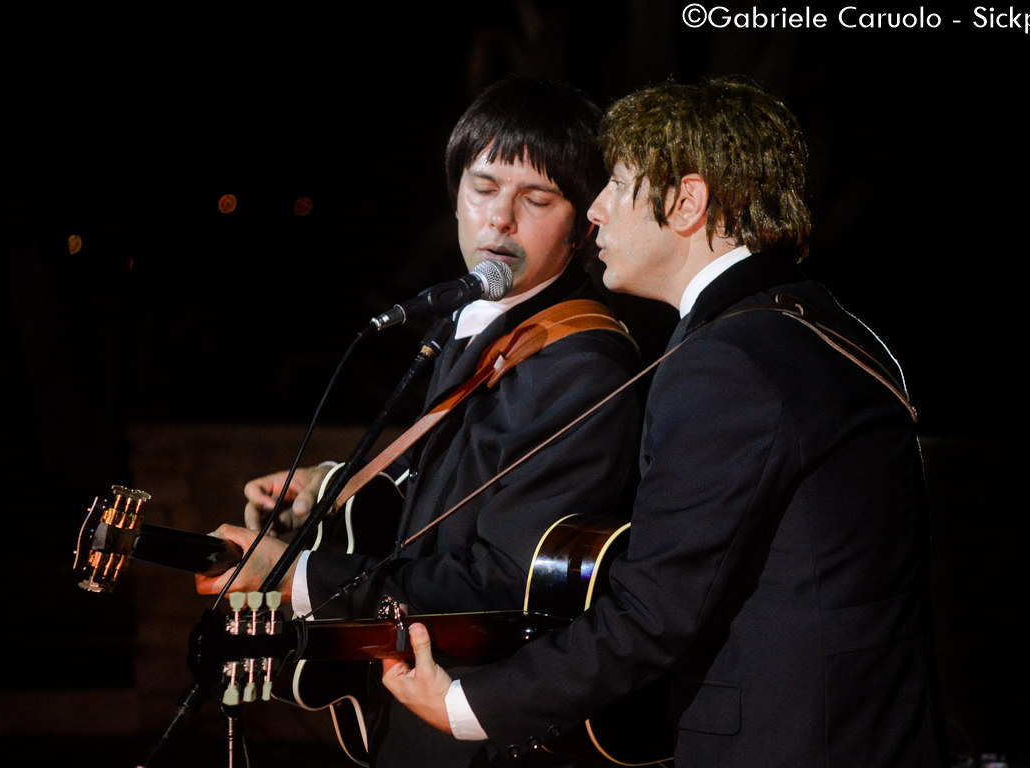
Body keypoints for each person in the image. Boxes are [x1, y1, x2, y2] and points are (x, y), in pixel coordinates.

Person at [381, 76, 948, 767]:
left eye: (615, 185)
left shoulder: (728, 362)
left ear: (685, 203)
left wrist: (468, 707)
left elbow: (654, 612)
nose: (593, 211)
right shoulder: (817, 325)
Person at [196, 77, 644, 767]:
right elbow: (452, 489)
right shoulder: (483, 321)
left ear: (584, 220)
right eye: (483, 188)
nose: (499, 220)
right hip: (413, 699)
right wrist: (328, 485)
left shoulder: (579, 363)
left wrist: (299, 577)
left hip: (483, 721)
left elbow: (503, 580)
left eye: (537, 199)